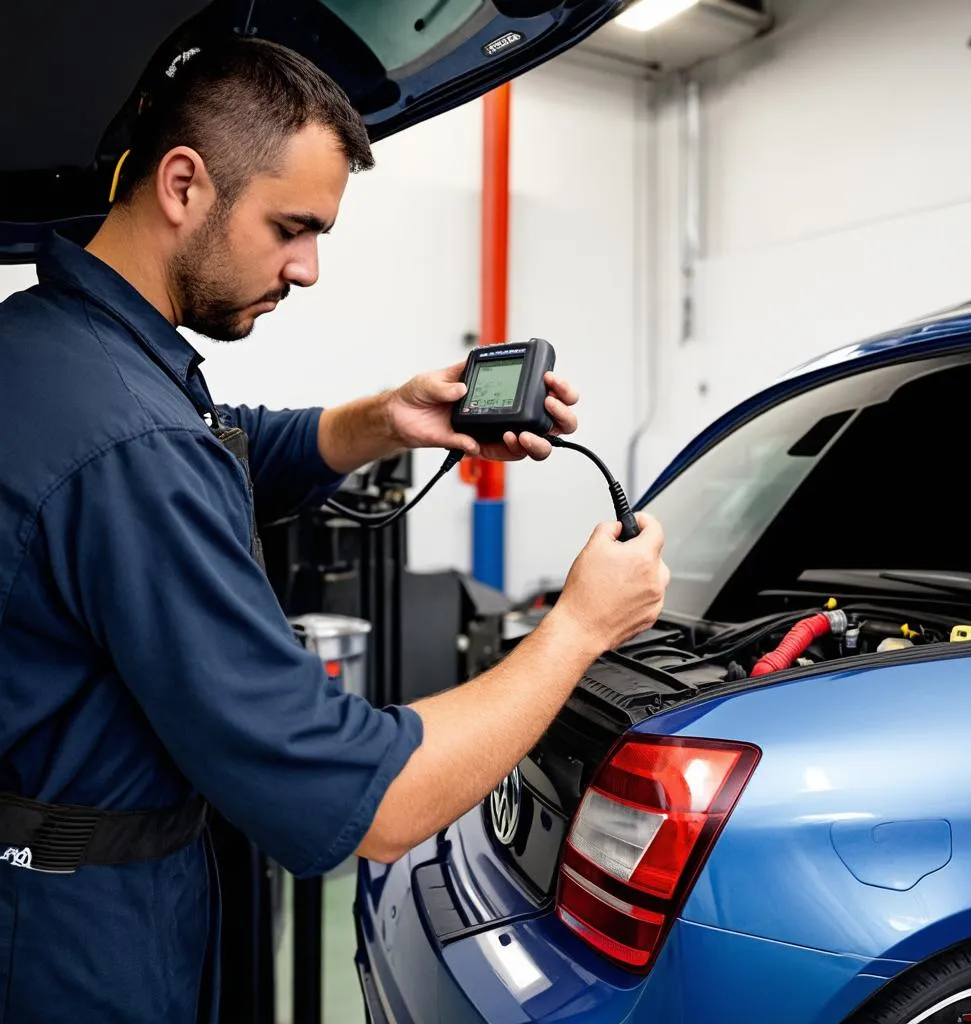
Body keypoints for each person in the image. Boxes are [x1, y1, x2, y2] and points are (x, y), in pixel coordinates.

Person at [0, 36, 669, 1023]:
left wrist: (387, 415)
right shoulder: (132, 447)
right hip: (91, 946)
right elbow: (376, 802)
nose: (308, 269)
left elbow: (223, 442)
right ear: (183, 183)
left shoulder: (48, 349)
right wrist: (577, 627)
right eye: (290, 228)